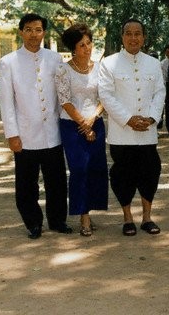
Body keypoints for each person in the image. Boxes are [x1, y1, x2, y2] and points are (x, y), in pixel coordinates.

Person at [0, 13, 72, 239]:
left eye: (38, 29)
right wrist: (12, 134)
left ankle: (58, 220)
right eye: (28, 29)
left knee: (57, 181)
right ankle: (33, 223)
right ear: (21, 32)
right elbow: (6, 101)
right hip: (26, 133)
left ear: (44, 32)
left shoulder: (54, 59)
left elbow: (63, 96)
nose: (33, 34)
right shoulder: (8, 62)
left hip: (52, 132)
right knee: (26, 183)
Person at [98, 18, 165, 236]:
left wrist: (152, 118)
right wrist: (128, 119)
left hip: (147, 132)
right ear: (122, 36)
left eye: (138, 34)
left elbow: (159, 93)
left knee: (150, 174)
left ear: (144, 38)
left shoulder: (154, 63)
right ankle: (128, 218)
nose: (133, 38)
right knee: (122, 177)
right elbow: (106, 95)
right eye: (129, 33)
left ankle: (147, 217)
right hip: (122, 133)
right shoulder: (108, 63)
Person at [55, 24, 108, 237]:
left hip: (96, 122)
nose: (87, 48)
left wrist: (93, 118)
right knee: (79, 169)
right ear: (73, 48)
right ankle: (83, 217)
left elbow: (104, 97)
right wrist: (83, 124)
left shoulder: (100, 68)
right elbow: (65, 101)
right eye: (81, 45)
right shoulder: (63, 70)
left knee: (96, 169)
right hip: (71, 125)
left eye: (88, 43)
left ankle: (90, 211)